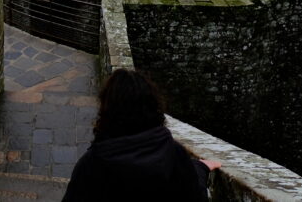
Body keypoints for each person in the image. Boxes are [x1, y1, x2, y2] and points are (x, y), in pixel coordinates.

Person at [63, 69, 221, 201]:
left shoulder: (92, 165)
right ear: (153, 106)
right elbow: (195, 196)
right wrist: (200, 168)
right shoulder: (174, 154)